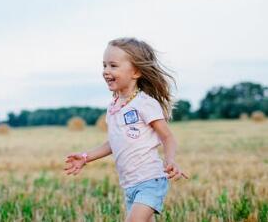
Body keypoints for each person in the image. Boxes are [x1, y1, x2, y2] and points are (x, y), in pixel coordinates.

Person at [64, 37, 188, 222]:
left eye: (113, 65)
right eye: (104, 65)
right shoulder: (114, 106)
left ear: (136, 71)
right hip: (129, 185)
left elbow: (168, 137)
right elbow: (114, 142)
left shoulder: (145, 103)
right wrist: (85, 157)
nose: (106, 71)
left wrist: (170, 161)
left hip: (150, 181)